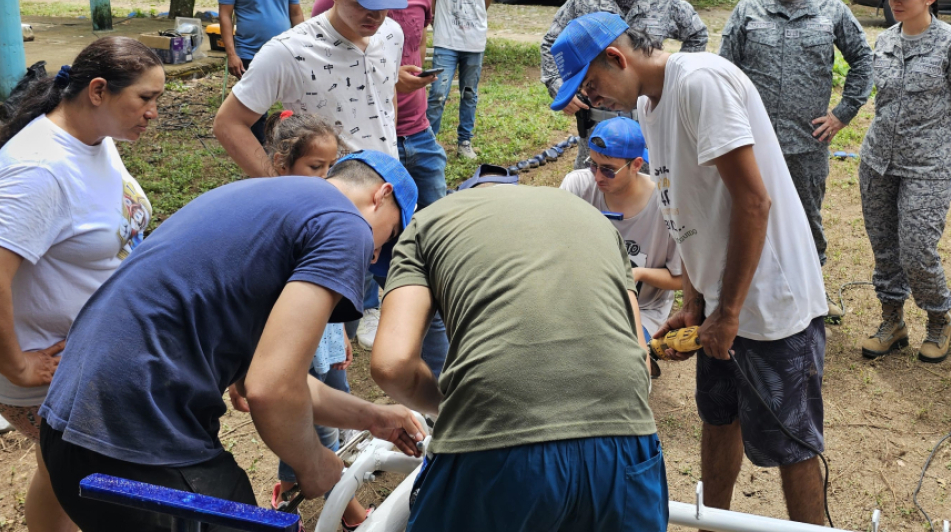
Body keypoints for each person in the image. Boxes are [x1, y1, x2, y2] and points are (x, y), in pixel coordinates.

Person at [38, 152, 426, 532]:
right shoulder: (346, 224)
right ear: (381, 194)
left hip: (68, 425)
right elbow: (271, 389)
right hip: (137, 436)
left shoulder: (265, 200)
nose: (373, 253)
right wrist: (311, 463)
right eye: (386, 238)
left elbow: (277, 376)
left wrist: (372, 417)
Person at [549, 13, 830, 525]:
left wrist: (730, 312)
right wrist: (697, 300)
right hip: (723, 301)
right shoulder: (647, 106)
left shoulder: (700, 82)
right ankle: (712, 521)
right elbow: (688, 207)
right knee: (719, 417)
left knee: (791, 441)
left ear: (617, 57)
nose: (593, 100)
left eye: (591, 84)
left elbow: (752, 203)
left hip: (769, 298)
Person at [370, 184, 666, 532]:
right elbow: (640, 357)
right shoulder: (595, 219)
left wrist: (446, 407)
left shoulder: (425, 223)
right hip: (625, 438)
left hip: (495, 444)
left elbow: (392, 365)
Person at [0, 38, 163, 532]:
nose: (153, 113)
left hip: (89, 354)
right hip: (50, 371)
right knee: (80, 477)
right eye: (145, 99)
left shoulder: (95, 137)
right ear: (98, 90)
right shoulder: (38, 170)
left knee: (59, 475)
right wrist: (17, 366)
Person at [720, 0, 874, 281]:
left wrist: (842, 114)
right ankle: (751, 289)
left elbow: (865, 61)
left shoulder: (830, 10)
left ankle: (810, 289)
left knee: (805, 218)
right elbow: (724, 69)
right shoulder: (750, 7)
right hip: (751, 142)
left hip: (806, 144)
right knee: (745, 212)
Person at [856, 0, 951, 363]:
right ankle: (892, 320)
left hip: (927, 165)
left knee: (916, 249)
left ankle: (938, 319)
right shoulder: (886, 40)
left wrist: (945, 128)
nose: (895, 0)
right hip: (878, 161)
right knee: (885, 248)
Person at [258, 111, 371, 528]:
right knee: (315, 427)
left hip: (323, 337)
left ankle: (287, 490)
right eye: (314, 167)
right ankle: (354, 516)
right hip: (290, 343)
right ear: (281, 164)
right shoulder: (275, 215)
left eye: (330, 167)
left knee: (335, 407)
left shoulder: (324, 210)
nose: (324, 178)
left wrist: (338, 332)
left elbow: (329, 288)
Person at [214, 0, 409, 176]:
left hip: (390, 188)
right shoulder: (288, 50)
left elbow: (387, 99)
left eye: (384, 3)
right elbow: (228, 123)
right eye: (363, 3)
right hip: (330, 202)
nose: (376, 15)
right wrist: (281, 186)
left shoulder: (391, 34)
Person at [541, 0, 709, 170]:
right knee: (596, 185)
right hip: (597, 123)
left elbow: (697, 34)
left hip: (646, 125)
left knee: (648, 189)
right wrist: (558, 86)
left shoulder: (665, 1)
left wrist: (672, 84)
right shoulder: (584, 0)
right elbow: (551, 42)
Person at [313, 0, 447, 209]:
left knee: (436, 221)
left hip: (418, 130)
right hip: (361, 140)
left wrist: (413, 76)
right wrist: (388, 79)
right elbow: (321, 66)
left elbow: (419, 41)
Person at [559, 117, 683, 349]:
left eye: (608, 170)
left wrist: (636, 275)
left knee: (615, 357)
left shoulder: (667, 206)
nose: (597, 177)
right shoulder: (577, 186)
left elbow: (683, 279)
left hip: (642, 309)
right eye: (593, 165)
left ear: (636, 165)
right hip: (583, 300)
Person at [217, 0, 304, 144]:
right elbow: (226, 16)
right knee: (254, 108)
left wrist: (303, 47)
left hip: (285, 51)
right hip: (249, 52)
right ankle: (263, 153)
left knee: (296, 103)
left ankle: (293, 147)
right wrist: (232, 54)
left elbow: (295, 12)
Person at [425, 0, 498, 160]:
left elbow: (484, 3)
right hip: (446, 40)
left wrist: (471, 24)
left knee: (469, 93)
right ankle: (429, 143)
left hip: (474, 42)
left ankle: (464, 142)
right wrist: (437, 25)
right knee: (437, 93)